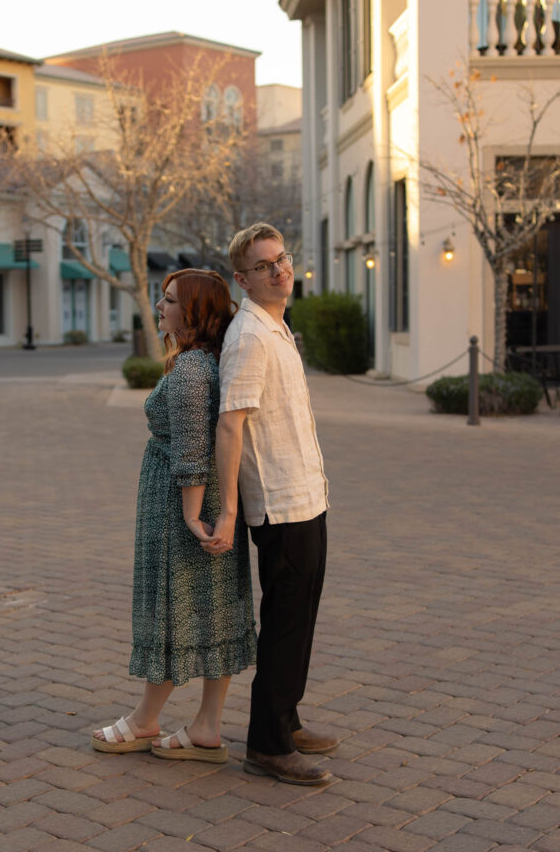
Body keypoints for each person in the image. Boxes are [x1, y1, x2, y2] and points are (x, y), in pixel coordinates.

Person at [92, 269, 256, 763]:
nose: (159, 307)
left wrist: (190, 516)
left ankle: (144, 720)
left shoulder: (189, 371)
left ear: (192, 312)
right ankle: (206, 725)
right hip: (209, 499)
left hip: (182, 504)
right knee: (215, 608)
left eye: (167, 300)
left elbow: (190, 450)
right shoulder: (206, 361)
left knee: (172, 607)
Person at [208, 223, 337, 786]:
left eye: (282, 258)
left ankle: (286, 717)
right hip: (280, 506)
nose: (280, 269)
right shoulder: (251, 337)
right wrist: (231, 510)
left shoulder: (277, 326)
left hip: (308, 495)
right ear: (243, 279)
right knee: (284, 623)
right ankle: (267, 744)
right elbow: (230, 425)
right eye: (265, 266)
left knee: (301, 616)